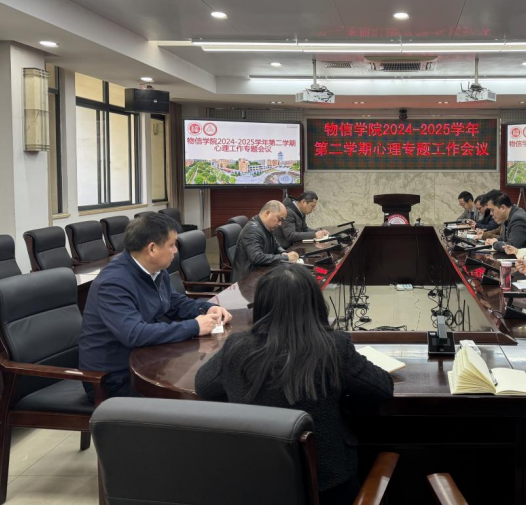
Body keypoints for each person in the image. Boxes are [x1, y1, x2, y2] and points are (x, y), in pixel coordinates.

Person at [195, 265, 393, 505]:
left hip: (253, 487)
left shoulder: (236, 347)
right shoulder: (334, 346)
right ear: (315, 303)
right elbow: (382, 388)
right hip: (329, 489)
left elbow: (203, 386)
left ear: (261, 306)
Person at [79, 214, 232, 400]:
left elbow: (173, 302)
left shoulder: (156, 270)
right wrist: (195, 326)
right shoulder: (113, 283)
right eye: (172, 245)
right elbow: (134, 334)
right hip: (113, 378)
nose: (176, 250)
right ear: (152, 248)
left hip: (147, 359)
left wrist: (206, 308)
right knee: (198, 396)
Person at [232, 200, 300, 282]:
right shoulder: (252, 230)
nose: (280, 224)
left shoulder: (266, 226)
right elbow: (257, 258)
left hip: (261, 273)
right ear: (267, 213)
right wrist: (285, 257)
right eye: (279, 219)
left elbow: (276, 245)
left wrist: (284, 253)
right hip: (247, 281)